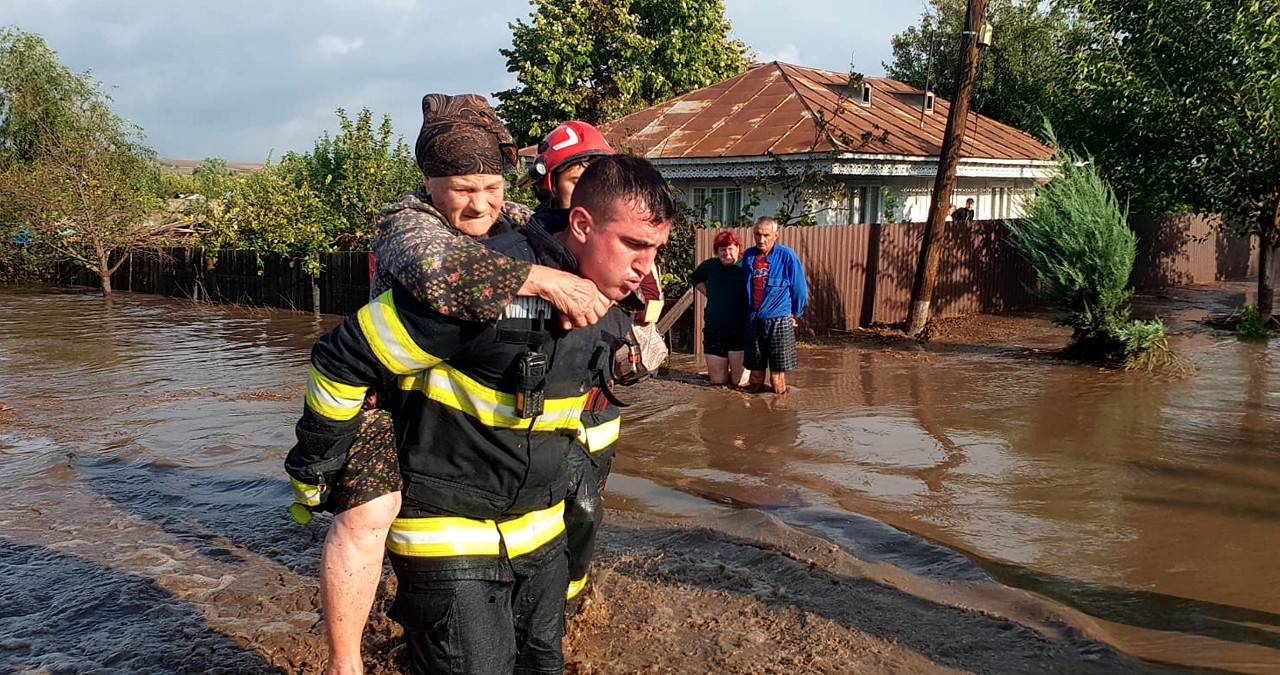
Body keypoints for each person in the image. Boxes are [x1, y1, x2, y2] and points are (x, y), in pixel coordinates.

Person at [287, 154, 676, 675]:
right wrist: (318, 465)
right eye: (634, 245)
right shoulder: (482, 285)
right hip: (448, 533)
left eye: (655, 250)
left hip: (539, 531)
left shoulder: (610, 292)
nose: (645, 269)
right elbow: (341, 358)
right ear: (583, 225)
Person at [742, 216, 808, 395]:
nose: (761, 239)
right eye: (757, 234)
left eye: (766, 235)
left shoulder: (787, 256)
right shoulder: (748, 256)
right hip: (755, 320)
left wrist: (795, 314)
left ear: (775, 235)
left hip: (779, 320)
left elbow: (800, 291)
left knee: (776, 376)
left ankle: (779, 414)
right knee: (755, 374)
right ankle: (755, 413)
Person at [691, 229, 750, 387]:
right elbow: (695, 279)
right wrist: (710, 293)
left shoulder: (746, 265)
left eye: (730, 248)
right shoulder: (709, 266)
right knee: (717, 382)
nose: (726, 253)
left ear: (738, 248)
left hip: (740, 331)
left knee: (740, 383)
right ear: (717, 251)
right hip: (714, 331)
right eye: (722, 249)